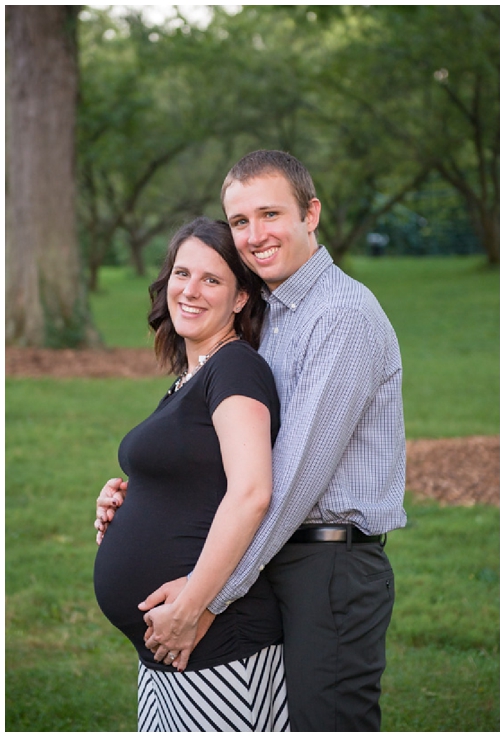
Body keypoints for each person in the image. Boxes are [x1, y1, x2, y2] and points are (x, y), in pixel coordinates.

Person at [96, 150, 407, 731]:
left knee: (327, 722)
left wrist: (204, 600)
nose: (255, 235)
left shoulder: (341, 315)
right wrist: (142, 498)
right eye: (240, 221)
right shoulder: (274, 313)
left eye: (270, 215)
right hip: (274, 557)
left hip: (328, 562)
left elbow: (288, 482)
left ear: (311, 213)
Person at [93, 217, 288, 731]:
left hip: (214, 641)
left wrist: (191, 606)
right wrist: (131, 499)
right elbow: (198, 477)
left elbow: (251, 493)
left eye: (212, 280)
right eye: (183, 273)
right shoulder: (191, 378)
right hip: (168, 652)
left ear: (241, 298)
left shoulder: (236, 368)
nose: (191, 291)